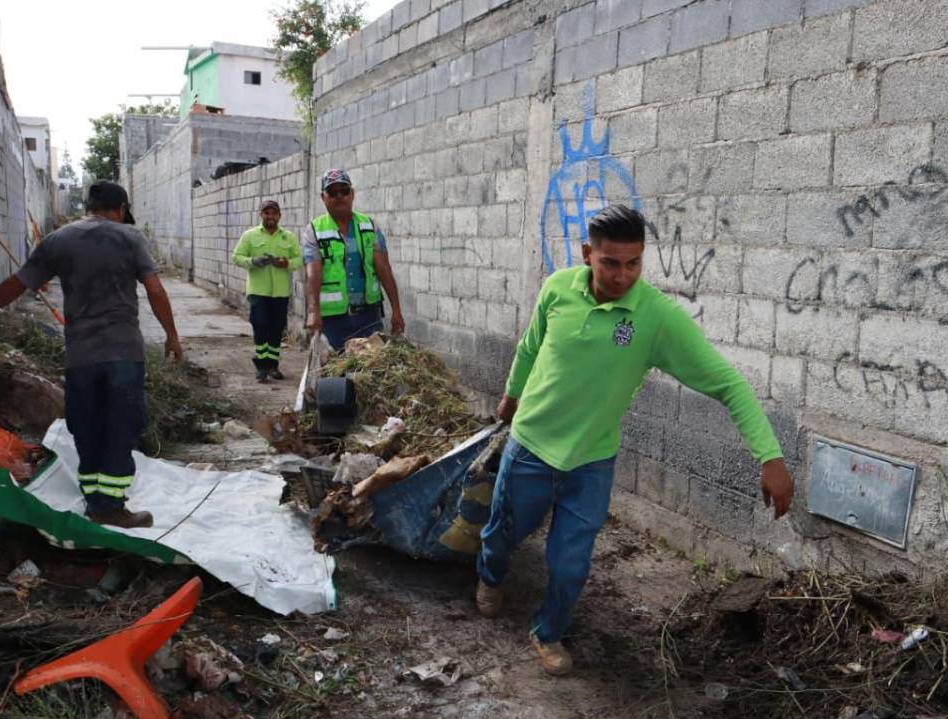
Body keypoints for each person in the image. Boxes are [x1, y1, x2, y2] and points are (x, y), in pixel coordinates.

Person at [475, 204, 795, 676]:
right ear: (588, 254)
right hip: (531, 446)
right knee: (503, 532)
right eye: (610, 263)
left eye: (634, 263)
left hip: (591, 462)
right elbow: (530, 344)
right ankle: (489, 574)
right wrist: (511, 394)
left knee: (570, 564)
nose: (623, 275)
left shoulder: (655, 319)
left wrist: (770, 456)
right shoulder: (557, 289)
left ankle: (548, 631)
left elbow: (728, 383)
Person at [0, 181, 182, 529]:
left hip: (81, 355)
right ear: (120, 208)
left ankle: (96, 502)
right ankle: (111, 508)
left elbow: (17, 283)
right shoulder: (130, 237)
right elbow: (155, 289)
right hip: (123, 352)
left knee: (88, 426)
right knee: (119, 427)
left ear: (89, 205)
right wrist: (171, 335)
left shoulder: (58, 240)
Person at [302, 168, 405, 349]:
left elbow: (384, 269)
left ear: (352, 194)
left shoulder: (369, 225)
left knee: (371, 373)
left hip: (369, 316)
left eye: (344, 190)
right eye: (333, 193)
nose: (339, 196)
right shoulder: (314, 231)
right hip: (333, 321)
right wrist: (313, 312)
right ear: (323, 197)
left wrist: (396, 310)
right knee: (335, 373)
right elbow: (313, 275)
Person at [232, 200, 303, 383]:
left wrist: (285, 263)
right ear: (260, 215)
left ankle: (273, 365)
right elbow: (237, 257)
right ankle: (261, 366)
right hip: (258, 291)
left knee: (276, 328)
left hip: (280, 293)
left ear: (279, 216)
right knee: (260, 325)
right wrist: (254, 262)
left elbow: (299, 259)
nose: (270, 216)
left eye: (273, 213)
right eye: (266, 213)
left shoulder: (288, 237)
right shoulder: (250, 235)